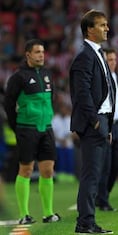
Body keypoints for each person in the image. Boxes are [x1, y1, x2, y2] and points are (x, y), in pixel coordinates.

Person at [3, 39, 61, 224]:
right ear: (28, 55)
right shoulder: (18, 77)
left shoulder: (47, 74)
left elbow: (52, 99)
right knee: (26, 170)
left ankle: (48, 213)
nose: (41, 55)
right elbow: (8, 104)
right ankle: (24, 215)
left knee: (48, 170)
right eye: (37, 52)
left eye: (42, 52)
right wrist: (17, 126)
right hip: (26, 129)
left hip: (46, 128)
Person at [69, 10, 115, 234]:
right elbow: (82, 92)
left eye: (106, 25)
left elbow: (104, 90)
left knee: (95, 175)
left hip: (103, 121)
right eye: (102, 25)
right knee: (91, 175)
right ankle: (85, 223)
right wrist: (95, 121)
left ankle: (88, 221)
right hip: (93, 123)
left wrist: (107, 124)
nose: (107, 28)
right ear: (90, 29)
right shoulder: (85, 56)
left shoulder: (97, 53)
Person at [96, 48, 118, 211]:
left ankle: (103, 194)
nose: (112, 63)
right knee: (105, 163)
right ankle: (103, 200)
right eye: (109, 60)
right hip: (107, 123)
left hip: (117, 123)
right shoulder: (102, 78)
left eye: (114, 59)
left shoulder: (114, 76)